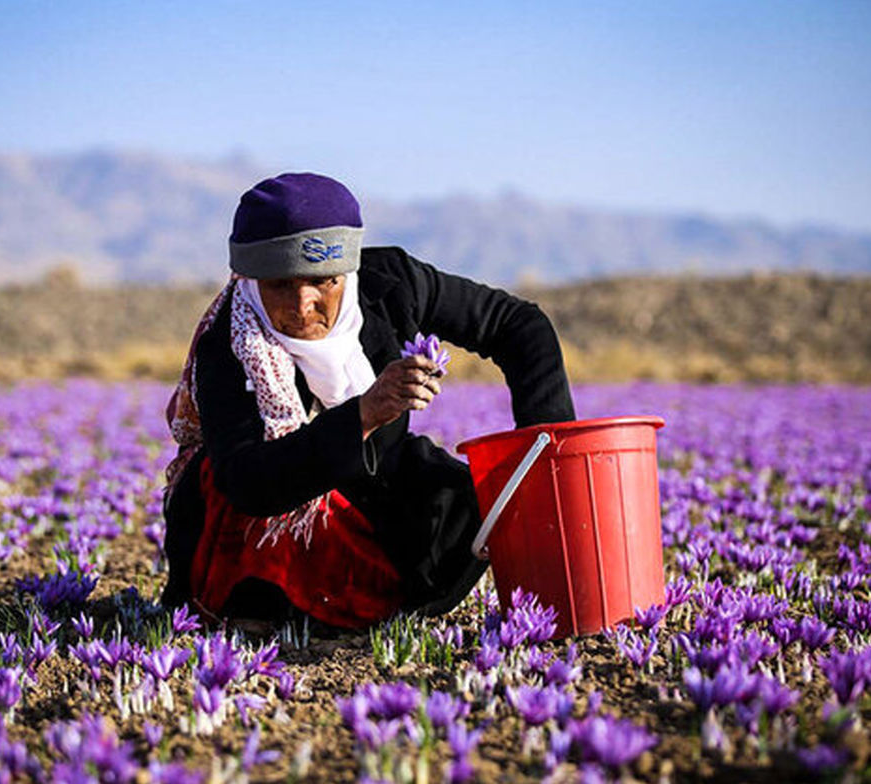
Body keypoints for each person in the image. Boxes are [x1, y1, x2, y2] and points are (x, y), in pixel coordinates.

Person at [159, 172, 575, 628]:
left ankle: (359, 601)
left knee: (471, 502)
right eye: (279, 285)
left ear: (347, 272)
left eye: (323, 282)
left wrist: (546, 448)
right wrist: (363, 415)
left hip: (372, 484)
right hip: (265, 504)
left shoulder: (390, 284)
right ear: (250, 278)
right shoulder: (232, 343)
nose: (303, 305)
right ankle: (266, 603)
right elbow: (248, 481)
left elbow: (518, 326)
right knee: (224, 492)